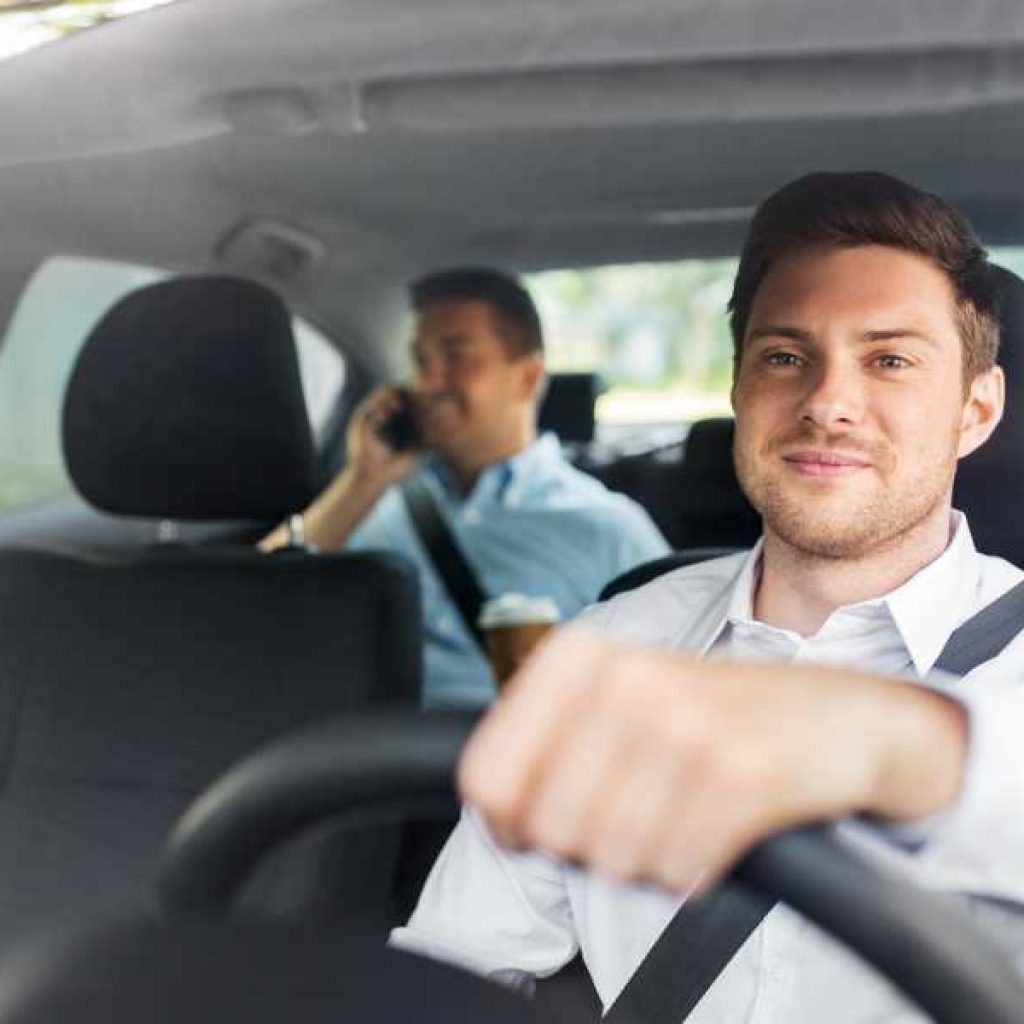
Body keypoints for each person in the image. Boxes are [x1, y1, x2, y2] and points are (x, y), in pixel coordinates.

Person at [392, 173, 1024, 1020]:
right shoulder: (609, 651)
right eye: (785, 357)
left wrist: (909, 751)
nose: (829, 402)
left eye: (891, 359)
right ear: (738, 392)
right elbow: (448, 974)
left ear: (976, 411)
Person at [264, 268, 668, 707]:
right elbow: (247, 600)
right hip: (367, 757)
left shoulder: (609, 527)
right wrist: (362, 480)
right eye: (421, 361)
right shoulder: (373, 502)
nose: (427, 383)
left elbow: (676, 687)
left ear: (528, 378)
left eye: (457, 357)